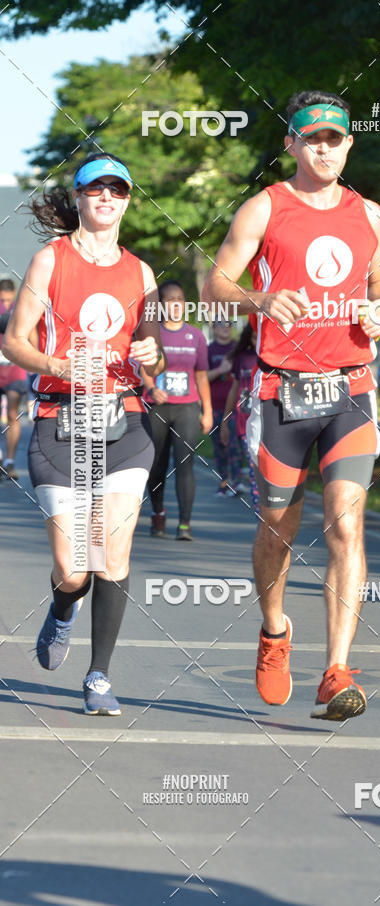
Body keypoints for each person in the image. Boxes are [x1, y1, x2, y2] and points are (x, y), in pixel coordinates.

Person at [202, 89, 380, 720]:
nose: (324, 148)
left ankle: (337, 672)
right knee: (278, 526)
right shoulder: (265, 208)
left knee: (346, 521)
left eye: (335, 138)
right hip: (281, 390)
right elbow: (215, 285)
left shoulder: (369, 215)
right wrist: (259, 301)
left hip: (351, 386)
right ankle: (275, 629)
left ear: (349, 144)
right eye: (312, 138)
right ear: (291, 145)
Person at [3, 152, 165, 715]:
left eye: (118, 190)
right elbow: (13, 341)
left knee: (112, 556)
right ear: (77, 197)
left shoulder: (141, 272)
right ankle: (63, 607)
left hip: (123, 424)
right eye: (96, 189)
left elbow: (152, 356)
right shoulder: (51, 260)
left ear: (127, 201)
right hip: (58, 422)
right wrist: (58, 365)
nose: (107, 198)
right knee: (74, 568)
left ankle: (98, 675)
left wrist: (152, 353)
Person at [142, 279, 212, 540]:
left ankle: (185, 524)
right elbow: (143, 369)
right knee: (157, 465)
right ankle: (158, 513)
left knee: (185, 465)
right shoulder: (153, 334)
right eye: (170, 300)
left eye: (180, 300)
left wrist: (208, 411)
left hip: (186, 409)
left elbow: (202, 375)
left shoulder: (196, 336)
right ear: (161, 305)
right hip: (159, 408)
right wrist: (151, 389)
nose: (175, 305)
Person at [220, 320, 259, 514]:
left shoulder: (273, 357)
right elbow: (234, 390)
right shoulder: (242, 358)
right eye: (254, 336)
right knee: (252, 465)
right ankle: (259, 508)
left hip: (269, 421)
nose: (258, 340)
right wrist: (225, 422)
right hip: (245, 422)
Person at [207, 318, 240, 496]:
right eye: (221, 324)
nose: (225, 328)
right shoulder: (209, 350)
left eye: (229, 324)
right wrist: (220, 369)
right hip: (214, 407)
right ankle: (223, 481)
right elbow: (200, 377)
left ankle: (236, 481)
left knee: (233, 445)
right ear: (214, 328)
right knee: (219, 446)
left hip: (236, 407)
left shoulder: (237, 348)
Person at [0, 278, 29, 480]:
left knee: (12, 414)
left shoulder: (22, 307)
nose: (6, 303)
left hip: (14, 369)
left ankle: (9, 462)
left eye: (9, 299)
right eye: (3, 300)